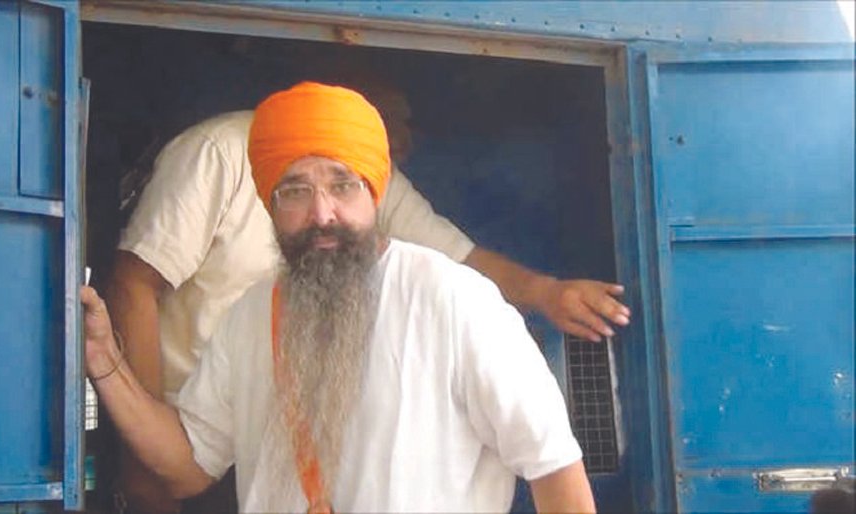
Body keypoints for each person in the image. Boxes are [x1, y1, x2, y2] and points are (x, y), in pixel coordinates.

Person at [105, 81, 628, 512]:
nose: (322, 214)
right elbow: (187, 466)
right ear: (271, 205)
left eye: (342, 186)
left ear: (375, 194)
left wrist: (544, 291)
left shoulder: (455, 300)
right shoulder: (249, 315)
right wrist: (105, 362)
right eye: (295, 191)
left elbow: (555, 473)